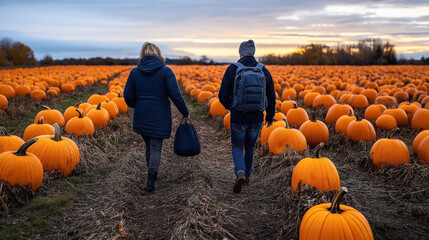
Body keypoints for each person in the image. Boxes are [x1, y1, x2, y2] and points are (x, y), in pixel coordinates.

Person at [124, 42, 190, 192]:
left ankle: (151, 175)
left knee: (148, 145)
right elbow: (176, 95)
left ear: (142, 55)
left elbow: (127, 95)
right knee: (155, 146)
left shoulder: (135, 72)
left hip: (142, 113)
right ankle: (151, 179)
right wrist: (185, 112)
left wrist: (137, 104)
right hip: (159, 114)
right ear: (159, 54)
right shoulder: (166, 71)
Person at [218, 40, 276, 193]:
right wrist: (270, 115)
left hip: (238, 116)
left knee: (237, 145)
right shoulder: (263, 70)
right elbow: (271, 95)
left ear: (240, 53)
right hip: (257, 116)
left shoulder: (233, 69)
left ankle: (240, 172)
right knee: (249, 146)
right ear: (254, 53)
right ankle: (248, 175)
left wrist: (231, 108)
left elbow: (222, 95)